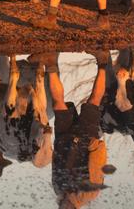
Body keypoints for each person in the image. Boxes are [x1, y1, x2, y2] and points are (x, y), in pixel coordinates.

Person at [41, 50, 111, 209]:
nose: (61, 207)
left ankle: (50, 63)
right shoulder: (89, 194)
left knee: (58, 104)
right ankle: (102, 61)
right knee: (94, 100)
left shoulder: (58, 190)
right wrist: (97, 147)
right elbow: (98, 167)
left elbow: (56, 163)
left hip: (64, 138)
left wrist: (56, 142)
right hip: (86, 140)